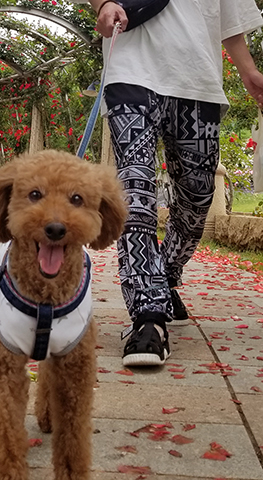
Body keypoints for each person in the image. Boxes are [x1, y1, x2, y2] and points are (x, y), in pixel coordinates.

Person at [88, 0, 263, 366]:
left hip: (196, 80)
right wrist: (103, 3)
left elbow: (230, 19)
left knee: (198, 197)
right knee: (134, 190)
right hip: (130, 73)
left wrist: (249, 72)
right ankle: (148, 315)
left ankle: (165, 275)